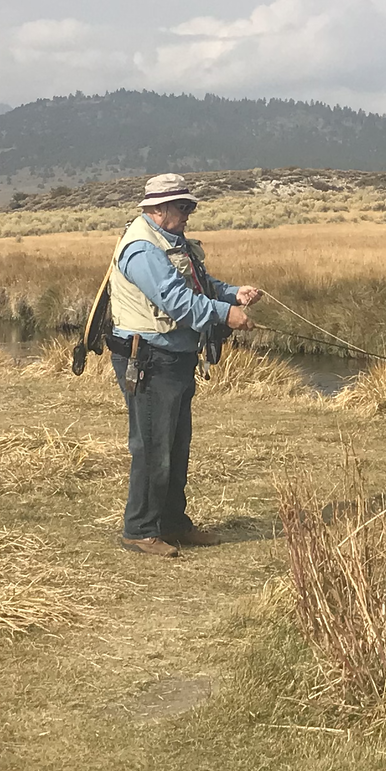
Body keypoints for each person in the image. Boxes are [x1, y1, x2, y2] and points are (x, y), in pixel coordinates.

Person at [106, 172, 261, 559]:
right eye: (183, 206)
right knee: (152, 447)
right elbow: (177, 301)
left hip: (173, 357)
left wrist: (232, 293)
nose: (189, 212)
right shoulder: (142, 249)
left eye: (190, 205)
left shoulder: (172, 241)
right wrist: (225, 315)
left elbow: (198, 284)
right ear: (158, 209)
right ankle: (140, 530)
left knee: (175, 444)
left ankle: (173, 523)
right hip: (148, 359)